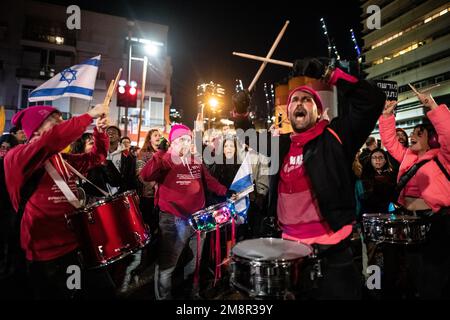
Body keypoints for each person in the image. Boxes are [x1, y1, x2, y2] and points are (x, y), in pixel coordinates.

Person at [231, 57, 385, 299]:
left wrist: (327, 72)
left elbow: (372, 99)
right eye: (294, 100)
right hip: (291, 254)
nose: (299, 103)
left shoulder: (336, 136)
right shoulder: (281, 145)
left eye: (306, 99)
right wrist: (240, 113)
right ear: (289, 112)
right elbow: (247, 135)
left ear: (318, 110)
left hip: (333, 255)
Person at [3, 104, 116, 299]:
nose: (62, 123)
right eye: (55, 120)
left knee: (101, 292)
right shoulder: (17, 157)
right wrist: (89, 115)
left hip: (76, 245)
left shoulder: (61, 159)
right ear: (36, 129)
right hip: (46, 256)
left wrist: (100, 131)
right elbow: (52, 139)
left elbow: (96, 158)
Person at [140, 124, 228, 300]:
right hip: (173, 219)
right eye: (181, 140)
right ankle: (163, 297)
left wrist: (226, 191)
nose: (186, 143)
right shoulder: (165, 160)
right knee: (168, 265)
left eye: (188, 140)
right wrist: (160, 153)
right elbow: (146, 175)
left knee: (195, 262)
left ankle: (192, 295)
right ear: (172, 142)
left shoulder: (195, 160)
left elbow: (209, 181)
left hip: (197, 219)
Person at [379, 94, 450, 299]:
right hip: (411, 225)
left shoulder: (443, 158)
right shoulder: (407, 157)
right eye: (412, 133)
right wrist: (387, 115)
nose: (412, 135)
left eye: (419, 133)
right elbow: (390, 141)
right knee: (416, 274)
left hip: (437, 224)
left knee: (434, 277)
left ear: (432, 139)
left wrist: (433, 107)